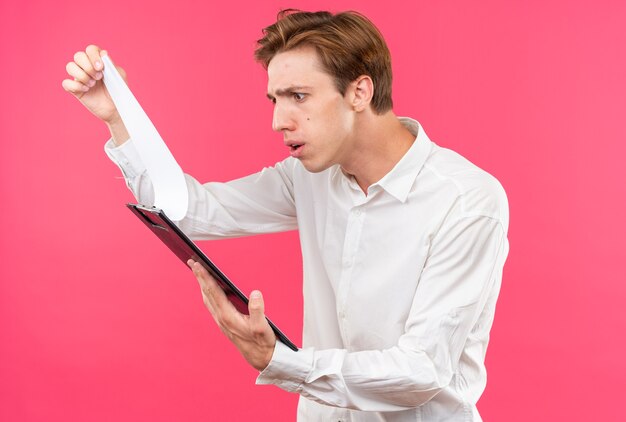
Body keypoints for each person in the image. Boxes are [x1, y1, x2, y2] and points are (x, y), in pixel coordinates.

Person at [62, 10, 509, 422]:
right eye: (275, 100)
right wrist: (120, 120)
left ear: (360, 91)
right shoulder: (307, 177)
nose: (278, 121)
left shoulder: (467, 201)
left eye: (298, 96)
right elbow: (188, 213)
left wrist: (281, 361)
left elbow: (421, 371)